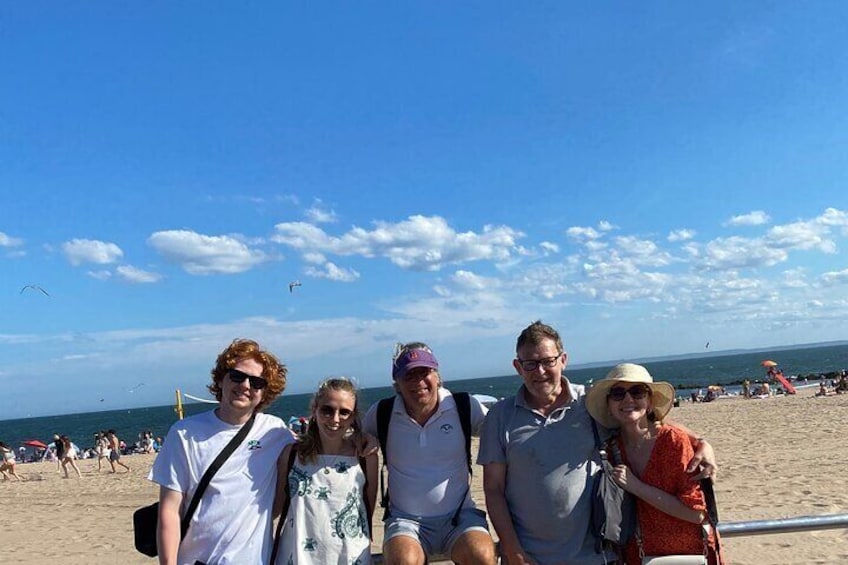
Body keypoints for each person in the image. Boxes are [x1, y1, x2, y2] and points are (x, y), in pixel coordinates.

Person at [478, 321, 716, 565]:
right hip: (529, 558)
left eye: (548, 361)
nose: (540, 371)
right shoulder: (500, 415)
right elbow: (493, 488)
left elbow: (646, 419)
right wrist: (511, 548)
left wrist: (701, 442)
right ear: (518, 366)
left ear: (563, 360)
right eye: (530, 363)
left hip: (596, 556)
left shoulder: (590, 403)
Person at [149, 338, 293, 565]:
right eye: (237, 376)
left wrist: (363, 439)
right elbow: (169, 510)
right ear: (221, 378)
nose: (246, 385)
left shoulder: (276, 432)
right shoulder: (184, 433)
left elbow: (320, 449)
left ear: (265, 392)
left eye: (256, 382)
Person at [362, 342, 497, 565]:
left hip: (460, 516)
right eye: (409, 376)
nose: (418, 382)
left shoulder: (464, 406)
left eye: (425, 372)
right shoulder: (382, 413)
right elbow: (355, 440)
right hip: (405, 521)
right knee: (403, 561)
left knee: (482, 556)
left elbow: (501, 432)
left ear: (437, 376)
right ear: (397, 384)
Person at [585, 364, 723, 564]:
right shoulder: (612, 450)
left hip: (690, 553)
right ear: (609, 404)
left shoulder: (673, 441)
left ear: (649, 402)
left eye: (637, 392)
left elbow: (696, 513)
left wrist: (636, 486)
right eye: (617, 393)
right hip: (638, 556)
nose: (628, 399)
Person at [273, 377, 378, 564]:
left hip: (350, 557)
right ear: (315, 409)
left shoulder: (364, 456)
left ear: (353, 416)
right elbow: (276, 508)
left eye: (345, 412)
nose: (335, 419)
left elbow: (367, 509)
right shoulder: (291, 455)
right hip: (297, 557)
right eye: (327, 410)